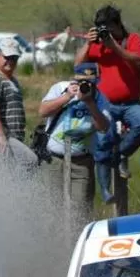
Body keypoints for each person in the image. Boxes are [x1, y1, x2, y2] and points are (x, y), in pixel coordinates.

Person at [75, 4, 140, 200]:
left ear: (117, 24)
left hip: (130, 103)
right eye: (101, 29)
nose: (105, 33)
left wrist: (114, 47)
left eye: (108, 27)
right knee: (103, 142)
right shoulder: (98, 43)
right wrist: (88, 43)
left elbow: (138, 60)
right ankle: (106, 190)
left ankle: (122, 154)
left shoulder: (131, 39)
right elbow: (78, 64)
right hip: (106, 103)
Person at [38, 62, 110, 229]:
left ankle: (75, 245)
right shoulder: (60, 88)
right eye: (81, 82)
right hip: (54, 159)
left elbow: (103, 127)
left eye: (90, 82)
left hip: (81, 161)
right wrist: (67, 97)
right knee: (52, 208)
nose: (85, 86)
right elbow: (43, 111)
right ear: (74, 80)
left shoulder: (99, 98)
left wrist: (90, 103)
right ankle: (54, 247)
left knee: (80, 212)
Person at [0, 37, 33, 164]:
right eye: (6, 57)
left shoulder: (12, 80)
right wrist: (0, 135)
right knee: (30, 161)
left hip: (13, 138)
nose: (10, 61)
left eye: (14, 58)